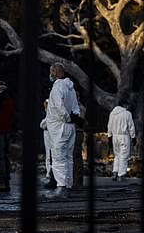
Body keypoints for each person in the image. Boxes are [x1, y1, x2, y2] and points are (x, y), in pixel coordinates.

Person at [44, 62, 80, 200]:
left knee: (58, 156)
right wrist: (72, 118)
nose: (50, 75)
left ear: (55, 72)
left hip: (60, 127)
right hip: (70, 126)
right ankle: (68, 185)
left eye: (51, 72)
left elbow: (58, 106)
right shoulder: (70, 88)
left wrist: (65, 117)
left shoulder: (58, 87)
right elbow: (76, 107)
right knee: (68, 157)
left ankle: (61, 187)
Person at [107, 99, 136, 182]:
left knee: (117, 155)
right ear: (124, 105)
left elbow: (109, 126)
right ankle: (121, 174)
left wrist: (109, 137)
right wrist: (133, 137)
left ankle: (115, 172)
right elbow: (131, 127)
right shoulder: (127, 114)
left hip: (114, 137)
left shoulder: (112, 113)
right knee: (124, 155)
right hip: (124, 136)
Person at [40, 99, 56, 189]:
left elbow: (43, 124)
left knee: (51, 154)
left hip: (51, 133)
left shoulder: (51, 114)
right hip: (47, 133)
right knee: (48, 155)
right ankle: (48, 173)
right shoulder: (46, 113)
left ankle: (50, 174)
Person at [73, 93, 87, 189]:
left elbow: (79, 120)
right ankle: (75, 181)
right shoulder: (74, 106)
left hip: (77, 132)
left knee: (77, 156)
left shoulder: (80, 107)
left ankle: (78, 182)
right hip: (74, 132)